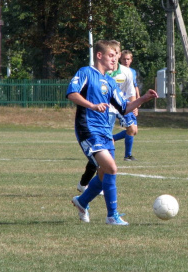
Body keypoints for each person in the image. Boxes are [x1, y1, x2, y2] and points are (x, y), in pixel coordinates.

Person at [66, 40, 158, 225]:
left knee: (103, 173)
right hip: (88, 128)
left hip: (106, 131)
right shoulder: (86, 72)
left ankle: (82, 202)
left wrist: (144, 98)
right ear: (99, 55)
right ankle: (112, 216)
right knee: (111, 168)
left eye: (116, 56)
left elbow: (124, 107)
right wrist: (92, 105)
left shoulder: (109, 81)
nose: (115, 59)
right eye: (111, 55)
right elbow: (72, 93)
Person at [111, 48, 139, 161]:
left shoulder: (132, 72)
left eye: (128, 59)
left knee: (134, 131)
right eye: (124, 59)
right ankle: (128, 155)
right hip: (120, 105)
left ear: (131, 60)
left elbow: (134, 87)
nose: (126, 61)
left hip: (129, 102)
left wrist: (136, 103)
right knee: (131, 129)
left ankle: (111, 138)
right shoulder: (111, 70)